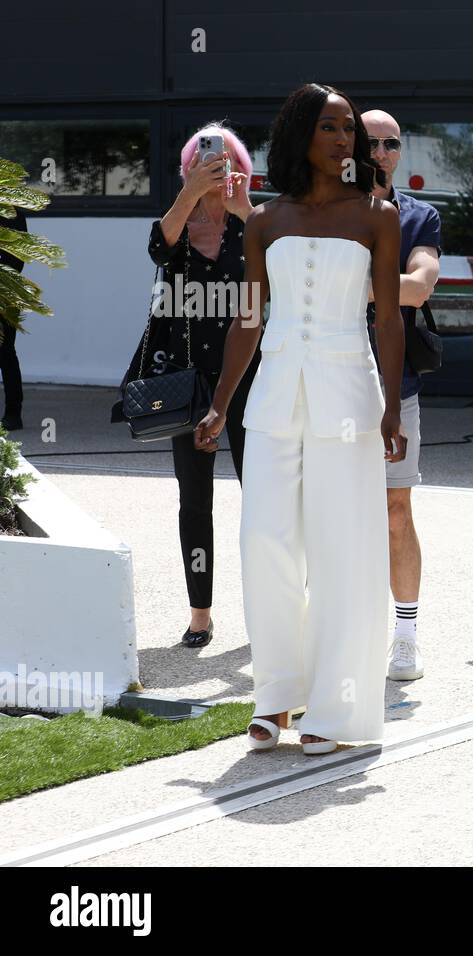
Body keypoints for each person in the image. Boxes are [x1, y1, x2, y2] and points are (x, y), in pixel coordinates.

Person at [195, 83, 407, 755]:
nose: (346, 141)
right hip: (275, 398)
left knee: (346, 550)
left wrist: (393, 408)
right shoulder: (265, 221)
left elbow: (389, 317)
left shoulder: (377, 214)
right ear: (300, 137)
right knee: (265, 544)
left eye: (350, 130)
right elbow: (248, 320)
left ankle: (338, 711)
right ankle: (277, 696)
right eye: (330, 128)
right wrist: (219, 401)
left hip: (350, 394)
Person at [145, 123, 258, 649]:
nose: (216, 165)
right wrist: (189, 195)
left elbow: (280, 262)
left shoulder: (251, 220)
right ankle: (200, 613)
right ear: (190, 166)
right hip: (189, 382)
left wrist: (245, 210)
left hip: (251, 378)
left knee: (264, 498)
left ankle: (268, 607)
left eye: (224, 157)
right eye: (205, 158)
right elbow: (157, 249)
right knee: (194, 499)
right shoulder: (179, 224)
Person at [361, 109, 442, 682]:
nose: (384, 153)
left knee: (395, 511)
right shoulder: (326, 212)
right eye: (373, 143)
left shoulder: (420, 216)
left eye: (392, 144)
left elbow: (421, 285)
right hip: (330, 384)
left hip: (396, 387)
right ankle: (340, 635)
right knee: (331, 515)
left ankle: (406, 635)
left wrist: (349, 286)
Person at [0, 206, 28, 433]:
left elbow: (18, 256)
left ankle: (13, 413)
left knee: (5, 351)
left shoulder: (12, 210)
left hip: (6, 292)